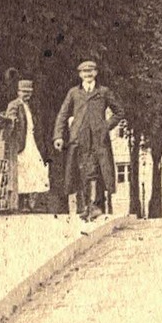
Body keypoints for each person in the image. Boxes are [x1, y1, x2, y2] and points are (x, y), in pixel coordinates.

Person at [54, 59, 124, 221]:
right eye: (85, 72)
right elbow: (63, 114)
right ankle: (86, 206)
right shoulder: (73, 93)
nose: (88, 74)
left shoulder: (103, 92)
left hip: (98, 139)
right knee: (82, 172)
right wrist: (58, 136)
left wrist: (106, 126)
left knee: (94, 171)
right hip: (78, 138)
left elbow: (119, 111)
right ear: (80, 75)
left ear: (96, 73)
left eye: (91, 71)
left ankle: (94, 205)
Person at [5, 74, 53, 213]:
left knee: (34, 169)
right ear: (18, 92)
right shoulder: (14, 105)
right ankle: (22, 202)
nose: (27, 95)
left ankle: (32, 202)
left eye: (29, 92)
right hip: (21, 142)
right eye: (24, 92)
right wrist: (13, 121)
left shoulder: (29, 106)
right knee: (23, 170)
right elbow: (10, 119)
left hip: (30, 141)